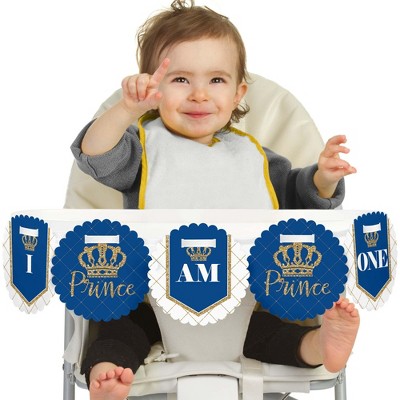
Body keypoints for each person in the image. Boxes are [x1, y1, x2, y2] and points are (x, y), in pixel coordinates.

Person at [71, 1, 360, 399]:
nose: (199, 94)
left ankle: (320, 345)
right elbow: (96, 155)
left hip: (241, 306)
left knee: (277, 335)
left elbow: (300, 202)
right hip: (154, 305)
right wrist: (126, 110)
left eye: (217, 80)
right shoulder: (141, 152)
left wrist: (323, 178)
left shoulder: (257, 159)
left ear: (239, 92)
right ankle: (108, 375)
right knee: (117, 331)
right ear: (153, 87)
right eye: (180, 79)